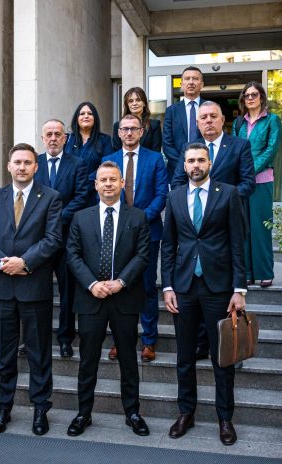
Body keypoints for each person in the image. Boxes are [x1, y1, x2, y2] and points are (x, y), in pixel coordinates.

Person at [160, 143, 247, 446]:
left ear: (209, 163)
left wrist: (239, 289)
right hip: (184, 287)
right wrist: (167, 286)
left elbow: (238, 242)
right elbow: (168, 245)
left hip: (218, 287)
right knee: (184, 356)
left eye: (200, 160)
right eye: (190, 161)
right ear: (184, 166)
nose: (195, 165)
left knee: (222, 358)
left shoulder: (229, 194)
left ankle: (225, 418)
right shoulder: (174, 197)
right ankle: (186, 412)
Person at [0, 143, 62, 436]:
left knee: (39, 352)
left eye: (27, 162)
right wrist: (4, 263)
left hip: (34, 287)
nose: (22, 167)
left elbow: (52, 239)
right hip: (2, 288)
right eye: (17, 162)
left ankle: (40, 409)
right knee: (4, 352)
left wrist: (24, 262)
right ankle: (3, 407)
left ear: (36, 167)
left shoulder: (51, 198)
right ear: (9, 166)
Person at [66, 161, 151, 437]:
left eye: (113, 179)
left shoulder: (137, 217)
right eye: (103, 180)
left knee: (128, 359)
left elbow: (142, 255)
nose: (108, 184)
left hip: (124, 299)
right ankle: (83, 413)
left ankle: (132, 412)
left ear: (122, 183)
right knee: (87, 360)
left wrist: (120, 282)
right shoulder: (81, 218)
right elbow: (73, 255)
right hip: (90, 299)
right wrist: (92, 284)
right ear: (95, 185)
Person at [170, 100, 255, 360]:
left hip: (226, 224)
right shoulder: (190, 150)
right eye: (203, 117)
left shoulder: (239, 145)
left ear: (222, 120)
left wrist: (221, 199)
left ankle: (226, 346)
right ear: (197, 123)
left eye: (213, 116)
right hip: (193, 228)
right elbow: (178, 181)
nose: (208, 120)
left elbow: (248, 182)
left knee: (218, 304)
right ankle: (201, 344)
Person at [102, 114, 167, 362]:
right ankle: (121, 340)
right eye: (125, 129)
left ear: (141, 132)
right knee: (119, 286)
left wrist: (139, 219)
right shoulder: (108, 160)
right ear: (119, 133)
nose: (129, 133)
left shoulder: (155, 159)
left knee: (147, 286)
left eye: (134, 129)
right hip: (115, 232)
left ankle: (149, 340)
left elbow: (161, 195)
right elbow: (104, 193)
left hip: (148, 231)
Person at [34, 119, 89, 357]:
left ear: (65, 138)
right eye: (49, 134)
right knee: (38, 291)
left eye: (58, 134)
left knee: (68, 292)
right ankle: (37, 339)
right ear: (43, 138)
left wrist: (55, 218)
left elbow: (81, 197)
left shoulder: (78, 164)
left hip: (68, 239)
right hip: (39, 239)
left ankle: (66, 339)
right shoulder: (34, 163)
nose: (53, 138)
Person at [232, 82, 282, 288]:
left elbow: (272, 149)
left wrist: (250, 170)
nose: (250, 98)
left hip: (262, 181)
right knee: (243, 228)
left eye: (254, 94)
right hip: (242, 183)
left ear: (262, 97)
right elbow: (234, 149)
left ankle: (265, 272)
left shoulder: (272, 120)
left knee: (261, 227)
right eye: (247, 95)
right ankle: (247, 273)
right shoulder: (239, 123)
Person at [162, 66, 205, 181]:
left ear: (202, 84)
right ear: (181, 84)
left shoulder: (210, 108)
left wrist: (202, 164)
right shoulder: (172, 111)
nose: (191, 82)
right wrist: (184, 165)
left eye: (195, 78)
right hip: (177, 171)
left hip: (205, 170)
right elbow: (167, 143)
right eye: (187, 79)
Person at [65, 102, 113, 201]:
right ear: (77, 118)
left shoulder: (104, 140)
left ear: (95, 118)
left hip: (93, 194)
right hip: (69, 193)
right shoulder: (67, 139)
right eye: (82, 113)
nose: (86, 116)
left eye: (90, 113)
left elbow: (106, 166)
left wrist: (83, 183)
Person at [112, 87, 162, 152]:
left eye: (138, 100)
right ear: (127, 105)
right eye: (131, 101)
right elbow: (116, 152)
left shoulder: (154, 125)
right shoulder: (117, 126)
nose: (134, 103)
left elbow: (156, 152)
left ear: (144, 103)